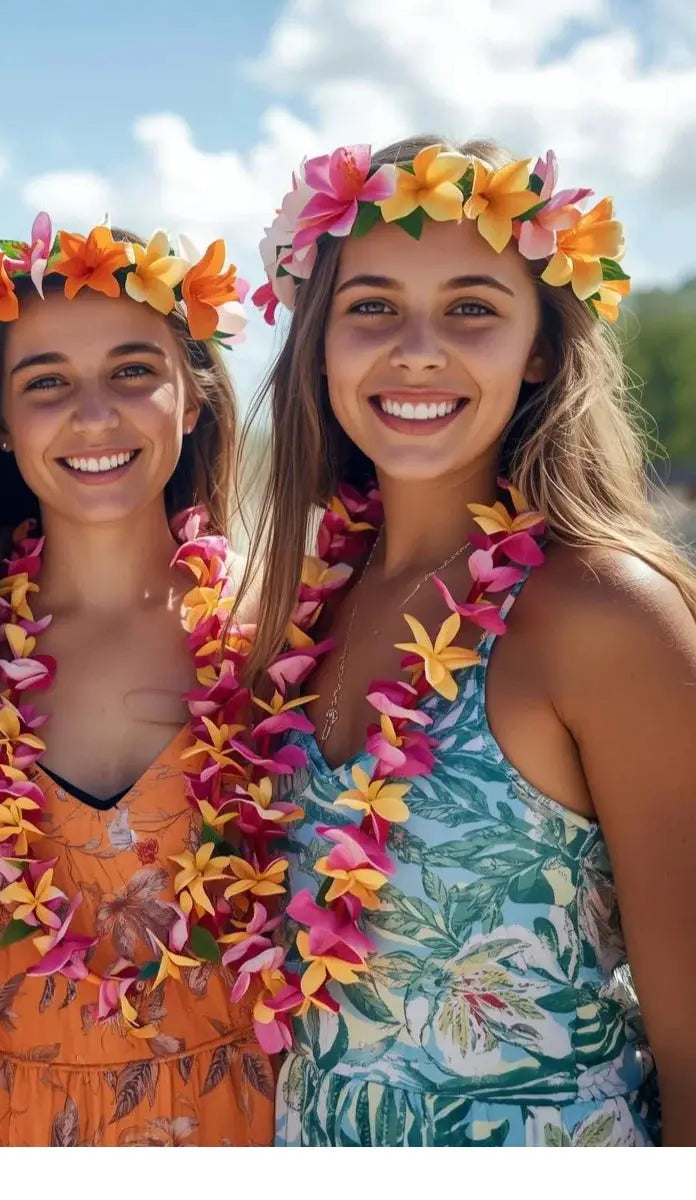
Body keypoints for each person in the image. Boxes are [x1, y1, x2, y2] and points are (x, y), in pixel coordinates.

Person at [246, 136, 696, 1146]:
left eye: (472, 308)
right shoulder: (300, 615)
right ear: (320, 339)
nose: (416, 347)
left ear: (539, 345)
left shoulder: (604, 617)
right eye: (371, 307)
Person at [0, 216, 292, 1145]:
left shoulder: (279, 638)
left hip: (245, 1125)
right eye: (47, 383)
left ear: (192, 399)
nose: (94, 413)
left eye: (134, 371)